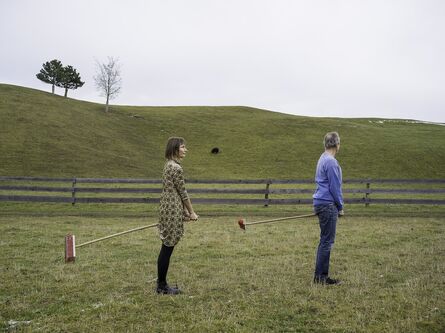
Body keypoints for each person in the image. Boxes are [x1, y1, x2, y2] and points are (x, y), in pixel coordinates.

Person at [156, 137, 199, 295]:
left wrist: (185, 213)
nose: (185, 150)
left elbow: (174, 191)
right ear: (175, 149)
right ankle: (161, 286)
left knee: (166, 246)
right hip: (172, 207)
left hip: (166, 206)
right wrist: (192, 212)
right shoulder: (176, 168)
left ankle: (161, 283)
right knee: (167, 247)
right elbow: (183, 192)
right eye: (183, 147)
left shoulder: (168, 165)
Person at [312, 132, 344, 285]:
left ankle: (320, 276)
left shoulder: (322, 158)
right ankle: (321, 277)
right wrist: (340, 206)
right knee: (327, 241)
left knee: (324, 240)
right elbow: (335, 187)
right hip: (328, 204)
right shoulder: (331, 162)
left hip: (320, 202)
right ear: (337, 145)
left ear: (326, 144)